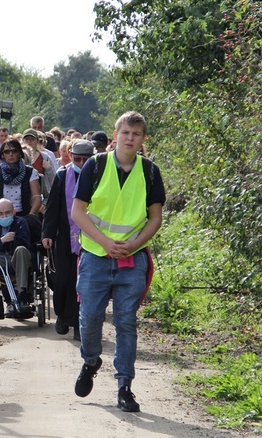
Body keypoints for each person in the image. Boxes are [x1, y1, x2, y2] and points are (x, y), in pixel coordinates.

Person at [71, 111, 166, 412]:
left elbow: (155, 218)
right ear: (115, 136)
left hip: (132, 259)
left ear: (142, 140)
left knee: (127, 322)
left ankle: (125, 386)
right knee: (89, 320)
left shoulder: (150, 171)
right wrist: (105, 242)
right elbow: (78, 212)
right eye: (125, 133)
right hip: (96, 257)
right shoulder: (96, 166)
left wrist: (135, 244)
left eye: (136, 134)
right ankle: (90, 361)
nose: (130, 138)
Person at [42, 140, 94, 341]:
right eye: (77, 158)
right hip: (64, 236)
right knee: (63, 280)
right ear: (70, 155)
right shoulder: (63, 175)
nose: (81, 163)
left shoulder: (98, 175)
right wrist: (47, 233)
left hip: (92, 237)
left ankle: (80, 324)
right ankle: (63, 316)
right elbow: (52, 206)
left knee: (84, 283)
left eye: (85, 159)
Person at [0, 139, 41, 216]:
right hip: (0, 216)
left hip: (24, 215)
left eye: (14, 151)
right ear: (2, 155)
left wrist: (31, 216)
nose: (11, 154)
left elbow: (36, 197)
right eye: (7, 152)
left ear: (20, 154)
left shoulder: (30, 171)